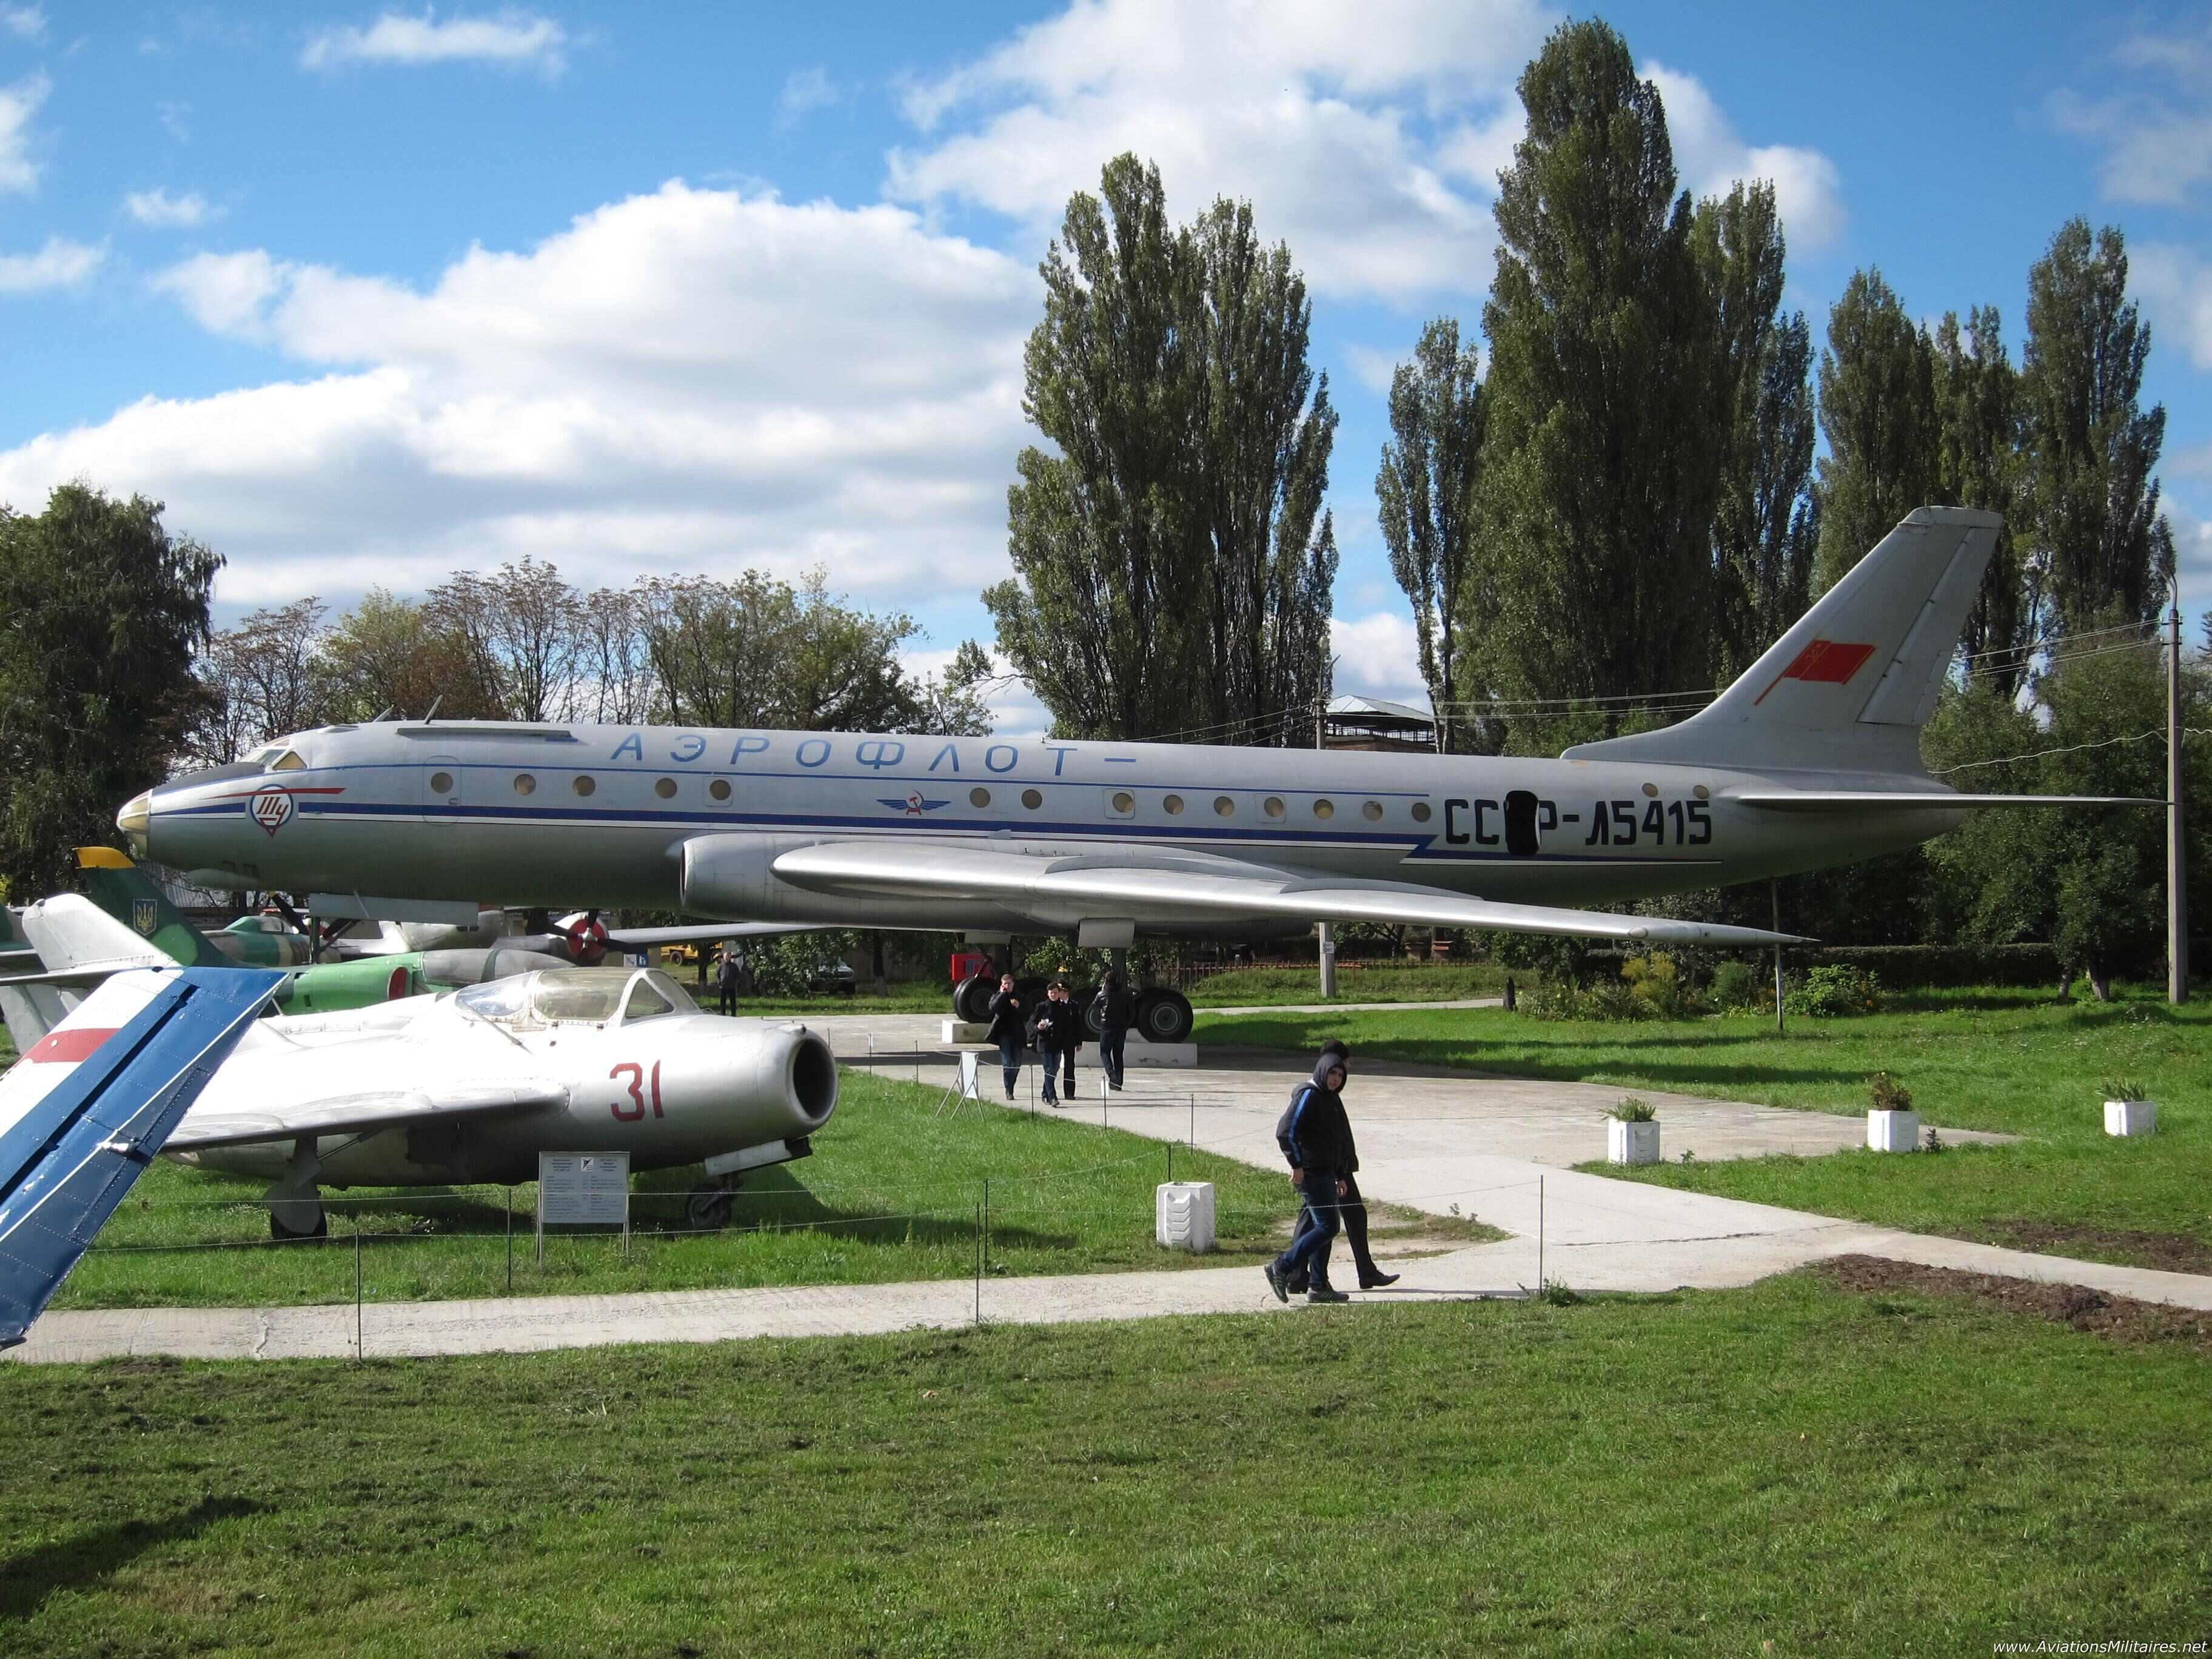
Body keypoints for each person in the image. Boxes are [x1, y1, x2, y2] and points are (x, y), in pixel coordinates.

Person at [1279, 1039, 1398, 1293]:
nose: (1343, 1071)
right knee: (1327, 1225)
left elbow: (1336, 1135)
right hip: (1321, 1171)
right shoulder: (1312, 1094)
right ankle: (1297, 1273)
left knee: (1320, 1221)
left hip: (1334, 1170)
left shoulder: (1329, 1095)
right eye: (1340, 1066)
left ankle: (1307, 1277)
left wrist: (1342, 1171)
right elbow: (1288, 1132)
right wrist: (1297, 1164)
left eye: (1341, 1071)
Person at [1027, 980, 1076, 1105]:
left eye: (1056, 993)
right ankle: (1052, 1097)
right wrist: (1038, 1027)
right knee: (1049, 1069)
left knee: (1054, 1070)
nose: (1054, 995)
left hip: (1058, 1044)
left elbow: (1068, 1027)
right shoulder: (1042, 1007)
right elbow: (1031, 1023)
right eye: (1051, 993)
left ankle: (1045, 1093)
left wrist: (1068, 1041)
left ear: (1059, 993)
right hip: (1045, 1044)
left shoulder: (1063, 1008)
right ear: (1048, 994)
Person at [983, 973, 1027, 1101]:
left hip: (1017, 1034)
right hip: (1004, 1034)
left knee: (1017, 1063)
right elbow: (992, 1008)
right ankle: (1009, 1090)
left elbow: (1029, 1012)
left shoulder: (1019, 997)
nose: (1006, 986)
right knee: (1007, 1062)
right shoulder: (997, 996)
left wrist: (1019, 1007)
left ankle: (1011, 1084)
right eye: (1004, 984)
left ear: (1013, 984)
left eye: (1009, 984)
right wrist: (1002, 994)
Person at [1091, 968, 1133, 1091]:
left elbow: (1094, 1006)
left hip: (1107, 1027)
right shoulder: (1125, 994)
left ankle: (1111, 1072)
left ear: (1106, 981)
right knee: (1118, 1054)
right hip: (1121, 1028)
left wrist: (1102, 990)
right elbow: (1132, 1013)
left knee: (1104, 1052)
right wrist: (1126, 1024)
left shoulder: (1102, 994)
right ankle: (1118, 1082)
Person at [716, 946, 740, 1016]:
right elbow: (717, 975)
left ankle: (733, 1015)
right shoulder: (721, 966)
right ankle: (723, 1014)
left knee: (733, 1002)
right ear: (724, 957)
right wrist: (719, 982)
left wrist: (735, 983)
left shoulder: (734, 966)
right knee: (723, 1002)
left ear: (730, 957)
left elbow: (738, 975)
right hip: (723, 987)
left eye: (729, 956)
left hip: (731, 987)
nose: (727, 957)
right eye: (726, 956)